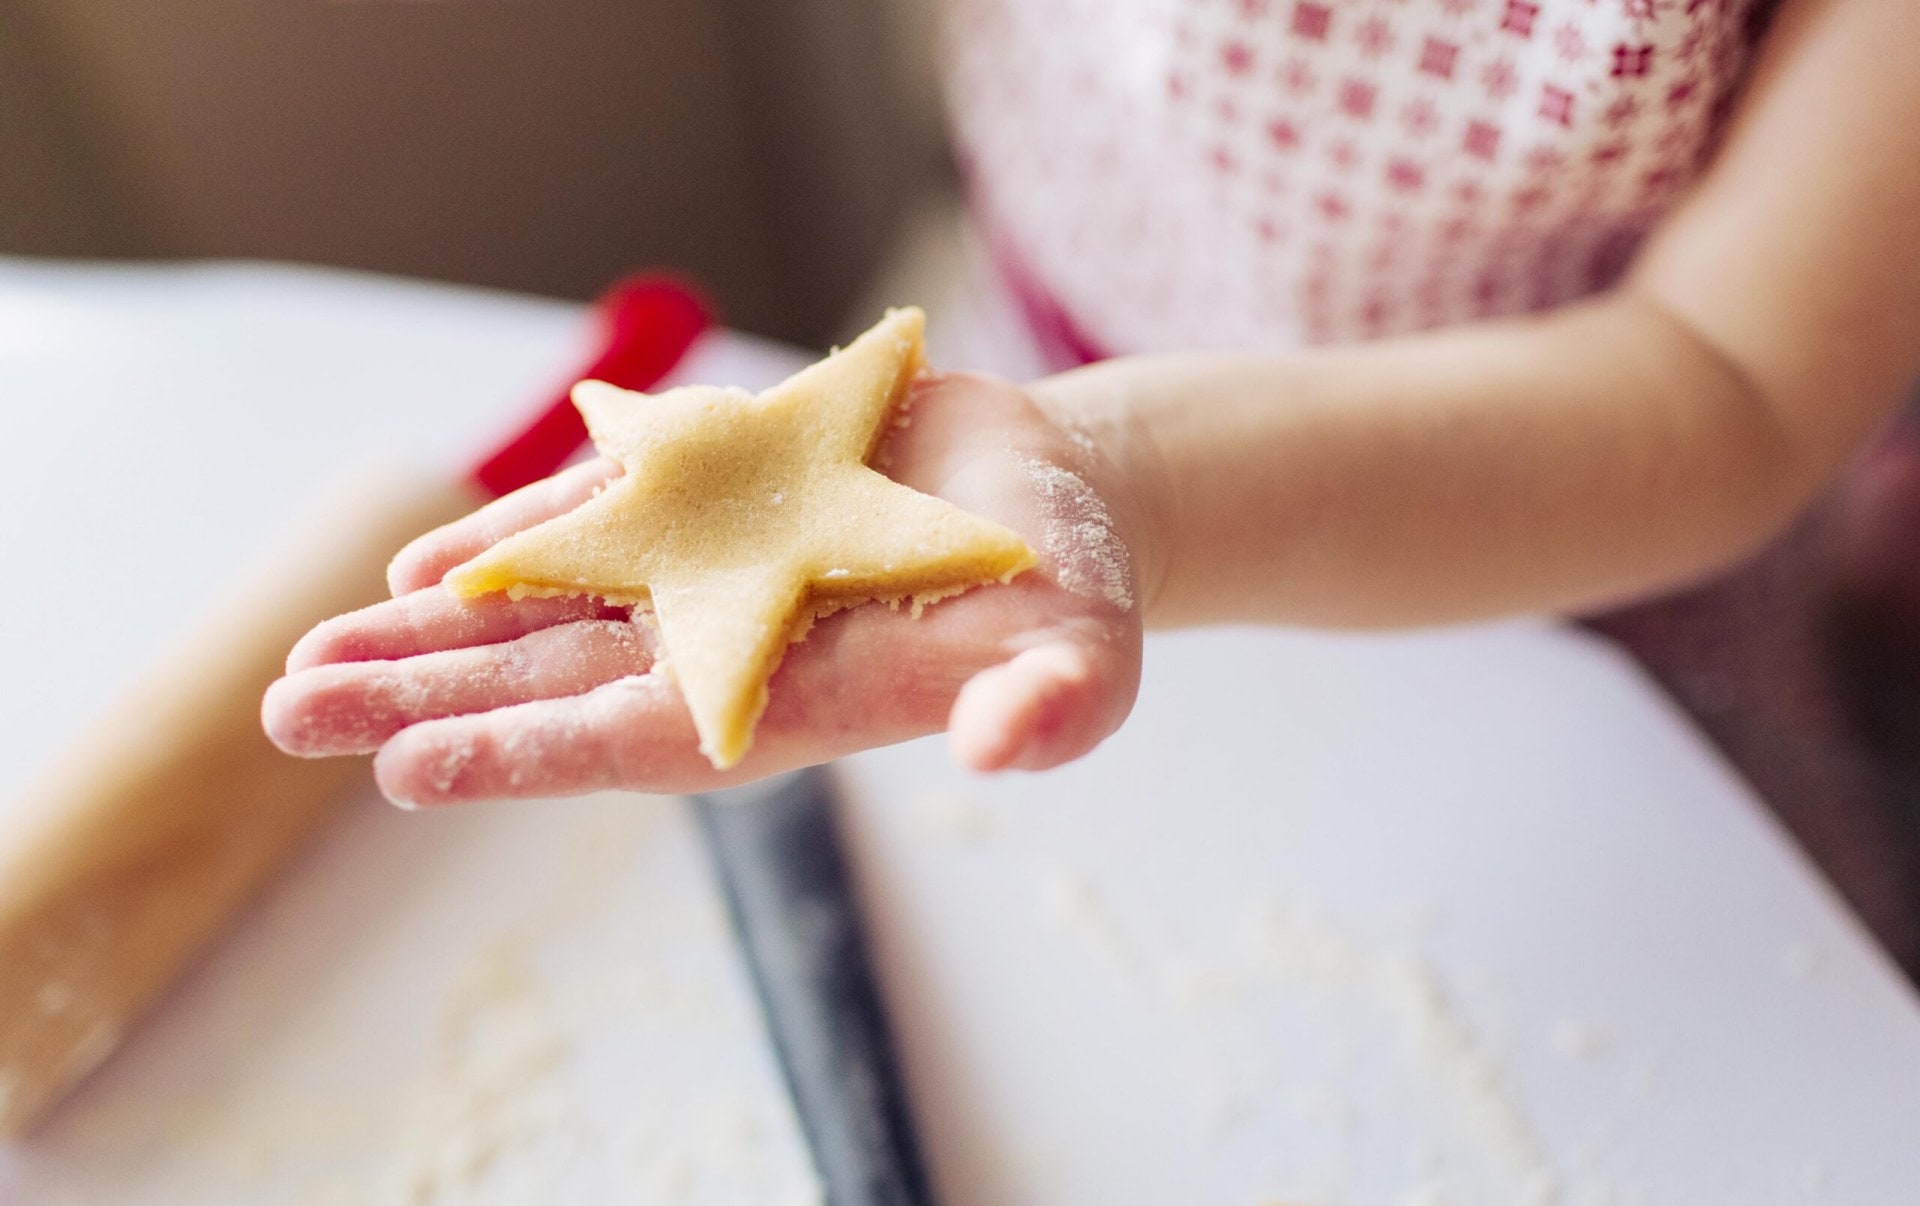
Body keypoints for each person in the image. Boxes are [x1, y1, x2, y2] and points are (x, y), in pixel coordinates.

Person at [263, 0, 1920, 807]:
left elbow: (1723, 386)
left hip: (1570, 549)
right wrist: (1065, 455)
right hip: (1018, 374)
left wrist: (1131, 480)